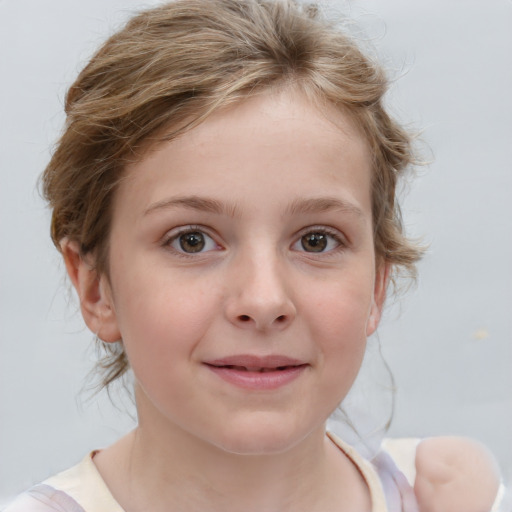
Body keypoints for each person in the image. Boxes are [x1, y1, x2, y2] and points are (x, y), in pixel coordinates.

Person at [4, 1, 505, 511]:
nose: (264, 300)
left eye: (316, 240)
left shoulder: (453, 498)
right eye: (191, 240)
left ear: (377, 283)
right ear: (95, 287)